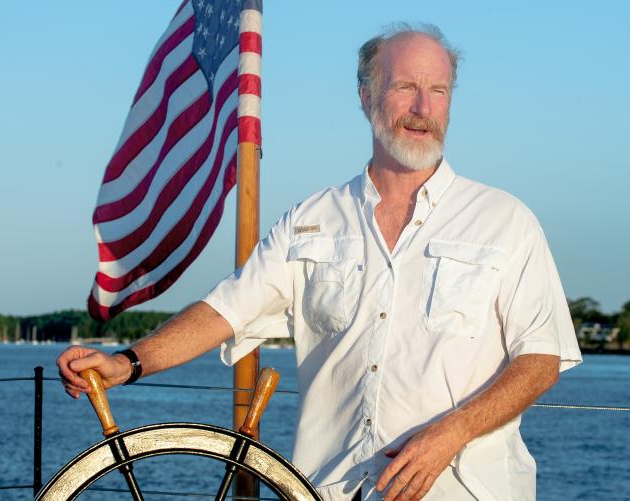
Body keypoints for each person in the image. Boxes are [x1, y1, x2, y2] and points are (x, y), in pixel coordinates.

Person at [58, 24, 582, 501]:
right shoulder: (311, 220)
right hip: (328, 490)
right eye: (405, 87)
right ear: (366, 96)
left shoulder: (505, 221)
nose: (423, 107)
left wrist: (452, 433)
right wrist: (127, 363)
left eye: (438, 91)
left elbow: (540, 360)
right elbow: (226, 311)